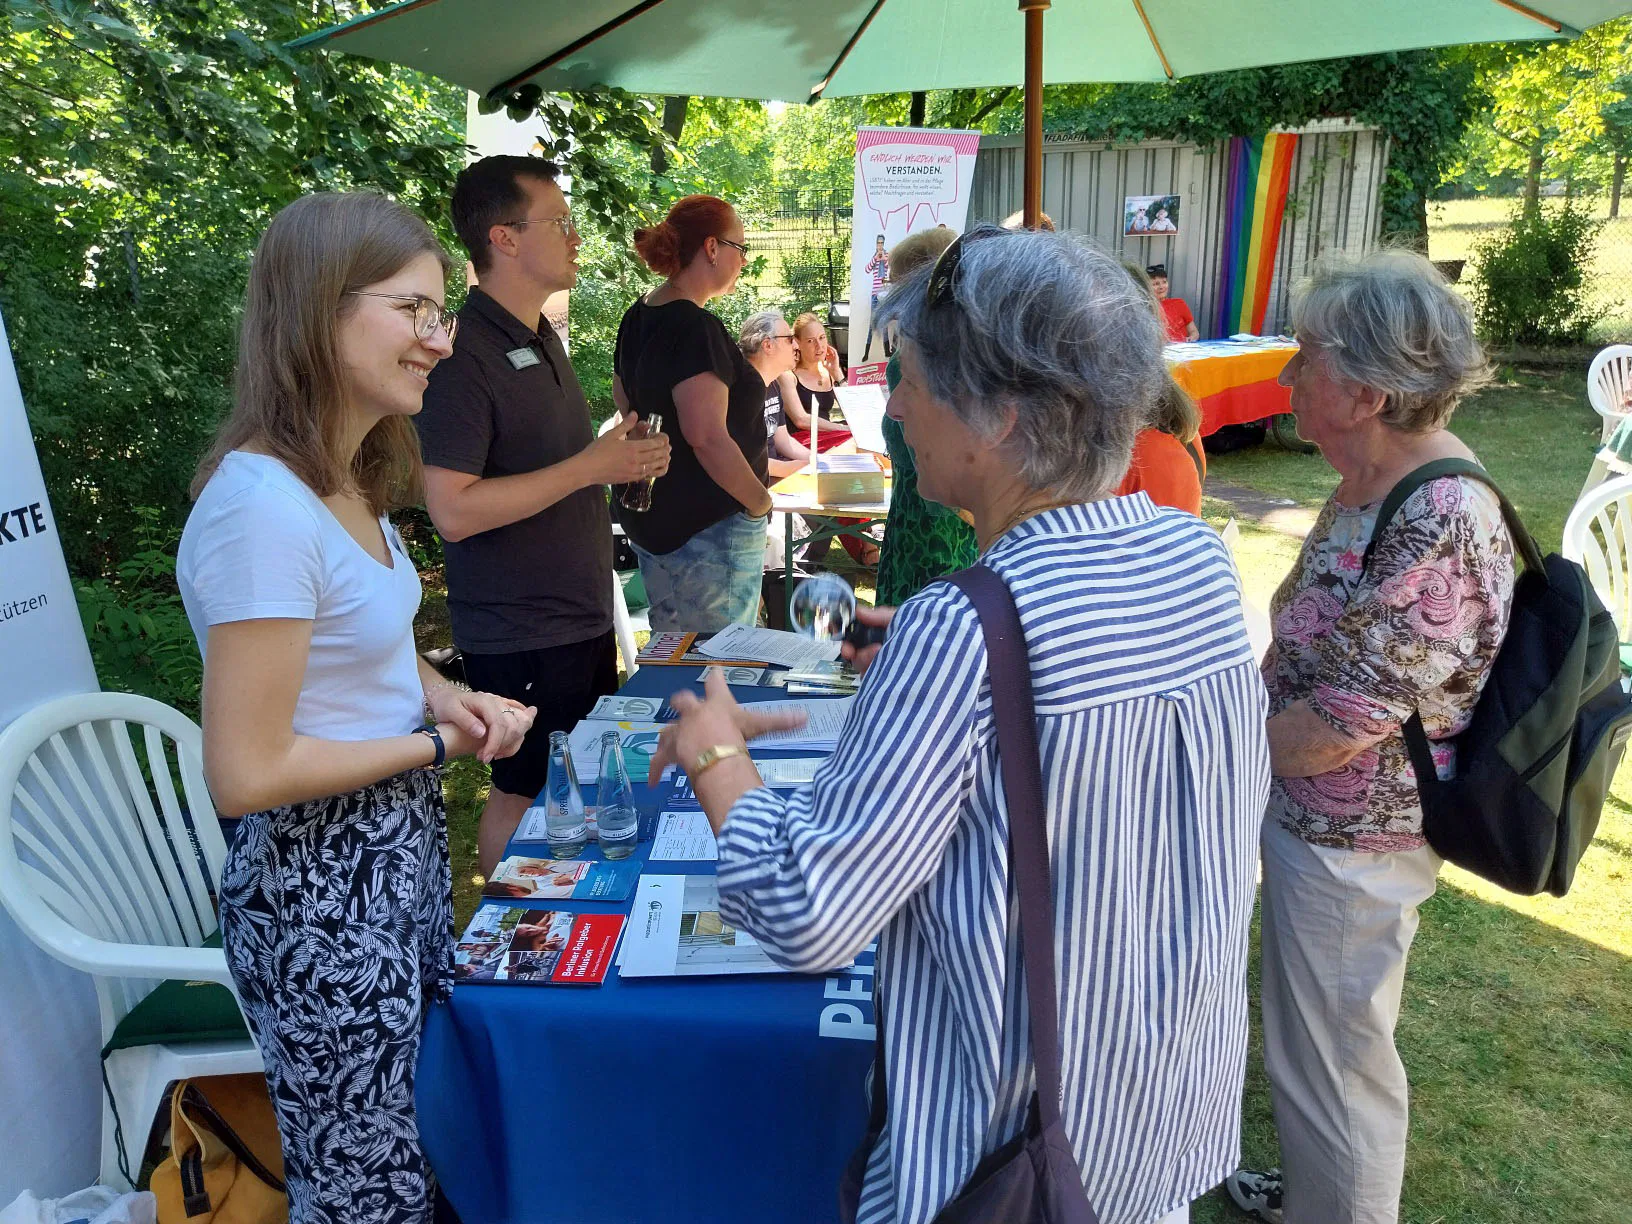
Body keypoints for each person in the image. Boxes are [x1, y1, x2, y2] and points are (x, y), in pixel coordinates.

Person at [650, 226, 1271, 1224]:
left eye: (913, 378)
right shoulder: (1189, 558)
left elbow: (810, 909)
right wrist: (952, 656)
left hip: (1011, 1153)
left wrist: (715, 752)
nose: (893, 404)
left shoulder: (968, 625)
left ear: (1004, 415)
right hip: (1153, 1113)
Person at [176, 192, 538, 1223]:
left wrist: (452, 697)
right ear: (319, 309)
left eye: (442, 316)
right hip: (319, 897)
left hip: (393, 861)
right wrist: (426, 744)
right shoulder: (258, 508)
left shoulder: (345, 478)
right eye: (413, 311)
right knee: (363, 1189)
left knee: (421, 1151)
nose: (437, 340)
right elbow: (245, 772)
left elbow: (367, 639)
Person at [1224, 251, 1515, 1224]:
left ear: (1372, 389)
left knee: (1339, 1063)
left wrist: (1205, 756)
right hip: (1316, 828)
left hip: (1358, 848)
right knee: (1310, 1047)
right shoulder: (1370, 483)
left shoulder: (1441, 513)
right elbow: (1304, 648)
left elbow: (1341, 724)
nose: (1286, 377)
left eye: (1306, 357)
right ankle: (1314, 1195)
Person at [416, 155, 669, 877]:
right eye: (558, 221)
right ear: (505, 238)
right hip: (521, 628)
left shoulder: (540, 335)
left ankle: (561, 913)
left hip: (578, 613)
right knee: (522, 790)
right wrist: (591, 466)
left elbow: (547, 473)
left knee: (577, 781)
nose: (576, 235)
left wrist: (618, 461)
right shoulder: (463, 357)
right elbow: (453, 510)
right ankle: (510, 927)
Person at [613, 195, 771, 631]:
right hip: (708, 531)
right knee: (715, 667)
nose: (743, 260)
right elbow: (706, 436)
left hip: (657, 521)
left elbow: (625, 403)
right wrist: (759, 502)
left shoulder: (639, 315)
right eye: (741, 247)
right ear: (712, 248)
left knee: (676, 658)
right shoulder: (695, 328)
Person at [873, 226, 978, 605]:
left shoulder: (926, 360)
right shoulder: (924, 355)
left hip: (933, 526)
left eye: (897, 284)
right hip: (928, 520)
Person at [738, 310, 810, 481]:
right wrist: (790, 469)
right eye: (790, 339)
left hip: (773, 479)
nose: (796, 346)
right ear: (768, 345)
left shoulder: (773, 385)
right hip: (754, 489)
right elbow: (741, 458)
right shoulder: (740, 391)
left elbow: (784, 441)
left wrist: (817, 460)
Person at [1148, 264, 1199, 342]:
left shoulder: (1179, 303)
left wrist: (1191, 338)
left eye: (1164, 282)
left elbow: (1194, 332)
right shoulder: (1144, 308)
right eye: (1156, 284)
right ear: (1148, 287)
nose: (1161, 287)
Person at [860, 234, 891, 361]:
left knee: (884, 323)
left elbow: (890, 267)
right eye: (878, 243)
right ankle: (866, 353)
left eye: (881, 243)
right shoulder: (875, 257)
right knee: (872, 325)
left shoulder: (886, 255)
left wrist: (883, 258)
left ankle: (887, 352)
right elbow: (867, 269)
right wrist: (876, 258)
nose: (880, 245)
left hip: (884, 294)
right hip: (874, 296)